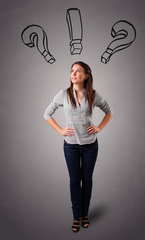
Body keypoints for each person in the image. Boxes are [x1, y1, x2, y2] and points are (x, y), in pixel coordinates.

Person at [43, 61, 113, 232]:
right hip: (71, 147)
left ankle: (85, 215)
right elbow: (47, 113)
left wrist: (99, 127)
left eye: (78, 71)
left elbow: (109, 112)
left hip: (90, 146)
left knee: (87, 180)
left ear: (86, 75)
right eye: (72, 71)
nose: (73, 74)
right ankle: (76, 217)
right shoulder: (63, 94)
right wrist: (60, 130)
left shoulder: (93, 95)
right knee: (75, 181)